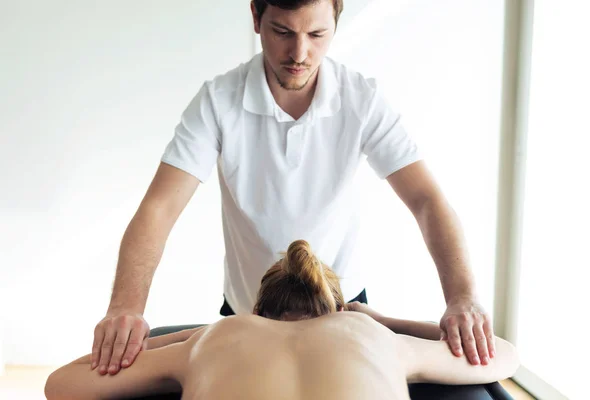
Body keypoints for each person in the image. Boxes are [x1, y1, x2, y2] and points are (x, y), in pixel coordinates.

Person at [92, 0, 496, 377]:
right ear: (256, 18)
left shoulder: (362, 101)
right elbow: (159, 209)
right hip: (251, 312)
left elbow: (427, 200)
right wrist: (126, 307)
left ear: (336, 21)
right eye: (282, 32)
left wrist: (462, 296)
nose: (299, 53)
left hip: (341, 310)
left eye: (317, 35)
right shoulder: (218, 101)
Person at [49, 241, 519, 400]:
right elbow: (501, 355)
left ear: (257, 311)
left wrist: (194, 335)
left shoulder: (217, 336)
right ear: (339, 310)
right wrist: (381, 318)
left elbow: (62, 383)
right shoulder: (372, 334)